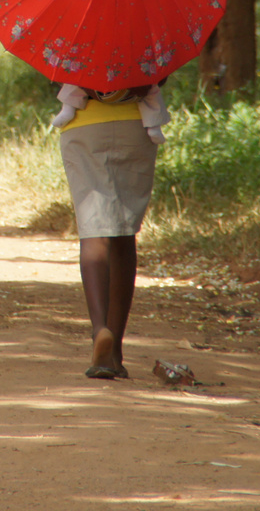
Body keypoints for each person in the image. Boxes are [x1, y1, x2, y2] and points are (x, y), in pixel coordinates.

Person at [50, 80, 170, 379]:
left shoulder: (74, 34)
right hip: (135, 127)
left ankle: (99, 330)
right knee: (124, 231)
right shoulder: (144, 34)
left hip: (84, 128)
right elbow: (159, 76)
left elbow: (56, 73)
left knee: (94, 230)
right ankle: (115, 348)